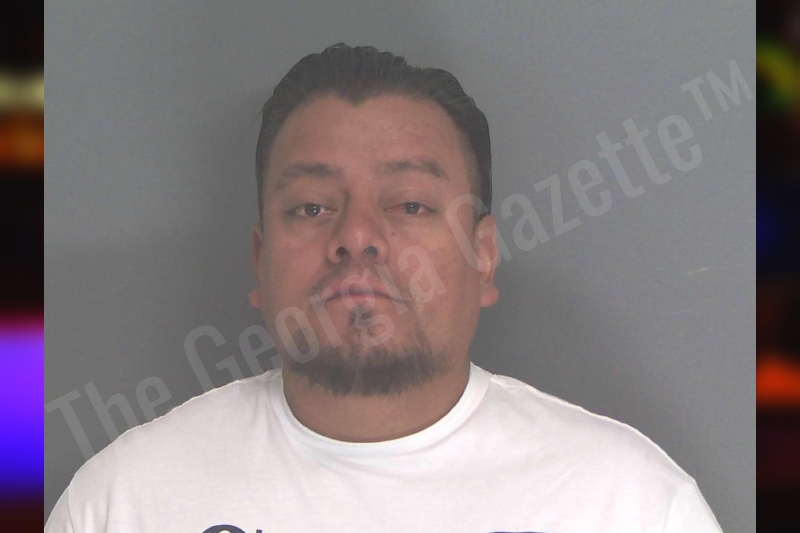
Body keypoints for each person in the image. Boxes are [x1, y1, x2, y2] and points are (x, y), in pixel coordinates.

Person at [45, 43, 722, 533]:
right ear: (260, 261)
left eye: (410, 204)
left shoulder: (630, 506)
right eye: (312, 206)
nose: (357, 236)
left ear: (484, 257)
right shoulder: (124, 504)